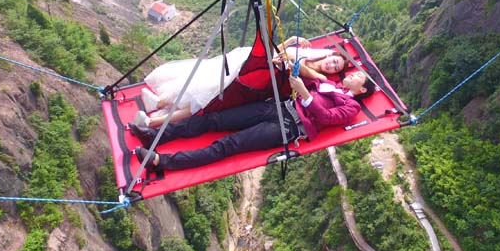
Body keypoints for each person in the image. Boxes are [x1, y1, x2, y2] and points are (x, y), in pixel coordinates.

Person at [129, 70, 375, 173]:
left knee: (226, 145)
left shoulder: (351, 106)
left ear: (362, 89)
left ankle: (162, 162)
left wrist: (307, 94)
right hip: (277, 107)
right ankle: (156, 135)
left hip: (286, 127)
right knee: (214, 119)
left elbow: (327, 117)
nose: (351, 74)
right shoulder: (329, 83)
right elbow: (305, 74)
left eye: (357, 77)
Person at [137, 37, 349, 126]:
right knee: (206, 79)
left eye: (336, 67)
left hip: (260, 80)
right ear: (328, 56)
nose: (331, 66)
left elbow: (294, 66)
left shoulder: (319, 76)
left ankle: (153, 120)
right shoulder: (310, 54)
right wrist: (292, 41)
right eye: (333, 61)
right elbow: (278, 51)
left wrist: (291, 56)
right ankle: (160, 102)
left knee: (207, 100)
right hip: (255, 64)